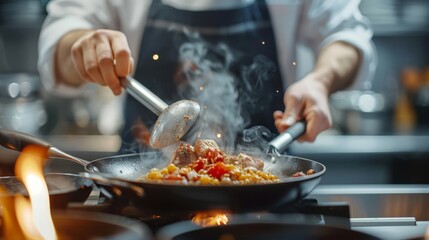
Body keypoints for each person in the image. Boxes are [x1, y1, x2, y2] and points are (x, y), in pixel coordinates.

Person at [38, 0, 376, 150]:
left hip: (268, 205)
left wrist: (321, 80)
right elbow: (60, 37)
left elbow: (348, 36)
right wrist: (81, 46)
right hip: (139, 193)